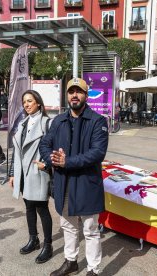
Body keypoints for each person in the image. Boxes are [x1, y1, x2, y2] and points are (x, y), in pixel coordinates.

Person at [39, 78, 109, 276]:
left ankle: (94, 269)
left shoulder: (97, 121)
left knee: (90, 229)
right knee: (67, 225)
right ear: (67, 95)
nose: (74, 95)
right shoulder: (58, 120)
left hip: (86, 182)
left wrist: (67, 161)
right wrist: (52, 159)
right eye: (71, 92)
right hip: (64, 182)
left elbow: (97, 153)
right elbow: (44, 144)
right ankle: (71, 262)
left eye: (79, 92)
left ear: (86, 96)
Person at [8, 90, 53, 264]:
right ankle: (33, 239)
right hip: (23, 173)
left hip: (37, 172)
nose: (26, 105)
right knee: (28, 207)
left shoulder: (47, 123)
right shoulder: (23, 123)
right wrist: (12, 174)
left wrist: (47, 164)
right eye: (24, 102)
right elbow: (16, 151)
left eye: (30, 101)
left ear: (39, 103)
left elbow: (55, 148)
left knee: (42, 209)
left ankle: (47, 245)